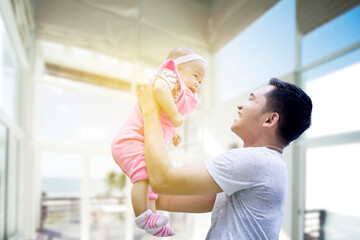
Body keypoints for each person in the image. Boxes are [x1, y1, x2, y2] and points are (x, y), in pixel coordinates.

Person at [137, 78, 312, 239]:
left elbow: (163, 180)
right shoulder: (269, 164)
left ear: (270, 119)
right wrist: (140, 185)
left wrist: (150, 112)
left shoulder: (256, 160)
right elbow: (168, 196)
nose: (240, 106)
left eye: (251, 100)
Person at [111, 47, 207, 237]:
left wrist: (175, 132)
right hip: (130, 140)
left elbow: (164, 121)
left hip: (139, 142)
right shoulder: (167, 78)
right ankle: (142, 216)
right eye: (195, 75)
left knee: (152, 182)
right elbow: (159, 90)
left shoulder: (176, 93)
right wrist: (175, 114)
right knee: (144, 178)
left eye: (200, 81)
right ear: (177, 68)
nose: (197, 82)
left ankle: (152, 220)